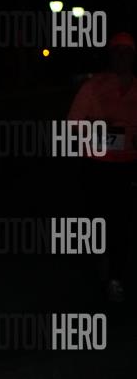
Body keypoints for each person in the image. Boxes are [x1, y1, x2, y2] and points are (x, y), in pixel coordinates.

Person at [68, 31, 137, 302]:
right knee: (97, 218)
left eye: (126, 52)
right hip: (96, 165)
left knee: (122, 222)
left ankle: (115, 277)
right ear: (111, 56)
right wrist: (102, 129)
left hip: (127, 166)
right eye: (117, 52)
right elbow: (73, 124)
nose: (122, 57)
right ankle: (100, 263)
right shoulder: (93, 86)